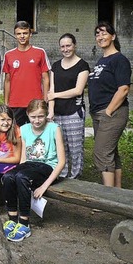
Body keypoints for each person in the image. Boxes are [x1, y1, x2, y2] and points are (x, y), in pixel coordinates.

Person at [2, 99, 66, 242]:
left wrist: (44, 186)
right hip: (30, 164)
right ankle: (12, 218)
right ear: (27, 115)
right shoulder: (24, 129)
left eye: (41, 116)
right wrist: (17, 170)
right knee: (8, 177)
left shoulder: (54, 128)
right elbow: (24, 158)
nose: (37, 120)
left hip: (48, 167)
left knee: (22, 177)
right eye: (33, 117)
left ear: (46, 115)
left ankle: (24, 223)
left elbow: (61, 162)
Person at [87, 22, 131, 188]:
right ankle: (118, 193)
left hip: (112, 113)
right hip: (99, 113)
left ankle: (108, 197)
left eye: (104, 33)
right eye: (97, 34)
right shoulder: (102, 60)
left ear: (113, 36)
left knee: (102, 153)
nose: (100, 37)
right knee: (111, 152)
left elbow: (124, 89)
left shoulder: (119, 60)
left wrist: (109, 111)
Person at [48, 33, 90, 179]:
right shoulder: (55, 66)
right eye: (62, 46)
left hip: (74, 112)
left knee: (75, 148)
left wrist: (55, 95)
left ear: (74, 45)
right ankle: (62, 175)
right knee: (60, 147)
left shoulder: (82, 65)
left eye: (68, 45)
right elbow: (51, 91)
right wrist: (50, 111)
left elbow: (78, 90)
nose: (65, 49)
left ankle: (75, 177)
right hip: (57, 113)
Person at [3, 21, 51, 126]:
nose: (22, 36)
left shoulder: (40, 52)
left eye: (25, 33)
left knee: (37, 135)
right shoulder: (8, 55)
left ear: (30, 34)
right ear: (15, 35)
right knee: (16, 136)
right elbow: (7, 80)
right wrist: (6, 103)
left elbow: (45, 78)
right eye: (19, 33)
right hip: (15, 103)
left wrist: (44, 100)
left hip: (35, 103)